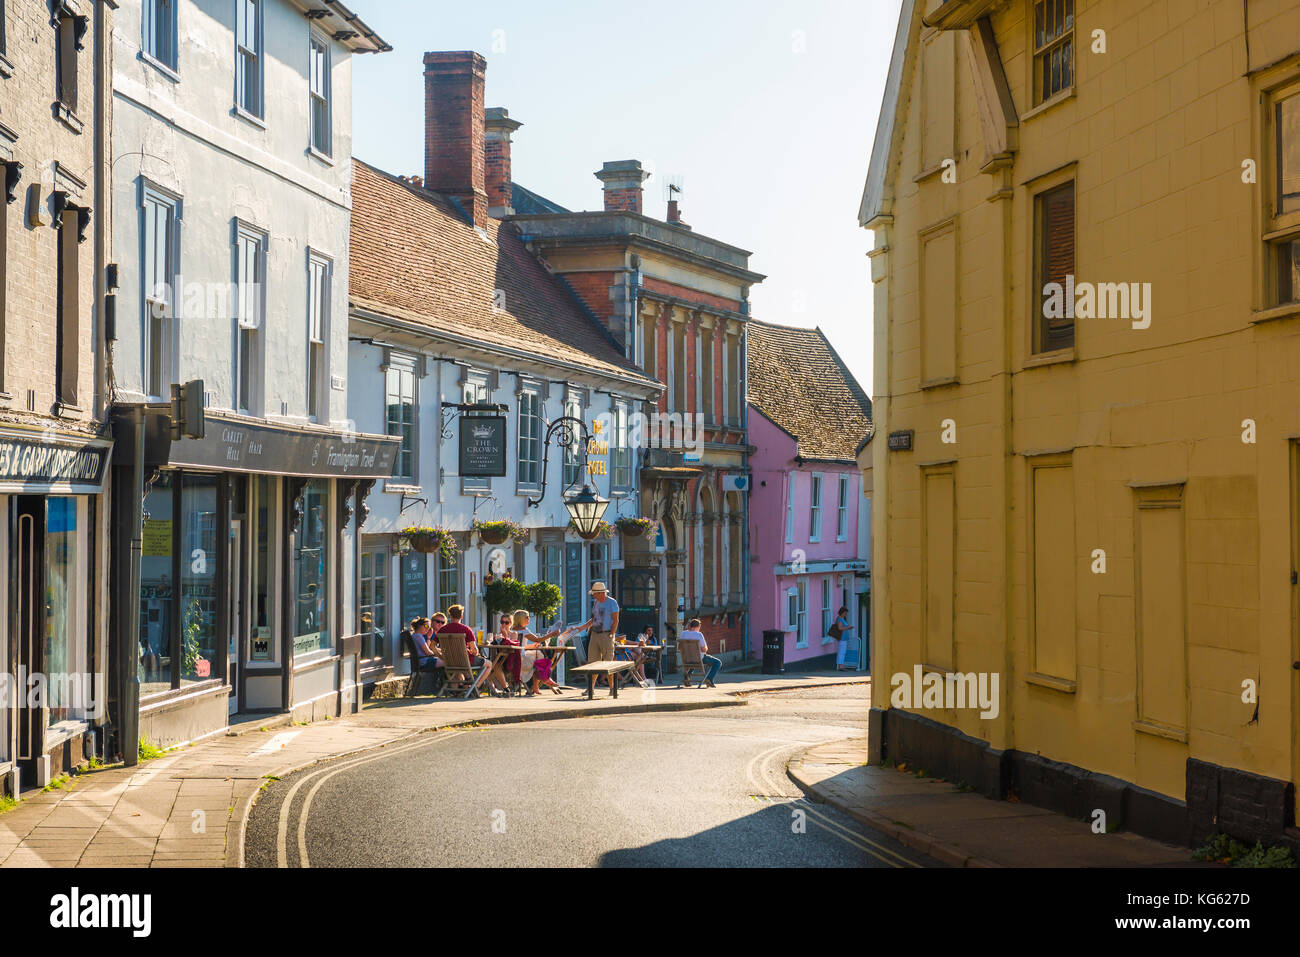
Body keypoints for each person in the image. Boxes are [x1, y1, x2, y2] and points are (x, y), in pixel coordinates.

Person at [510, 610, 566, 696]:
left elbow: (519, 646)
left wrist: (531, 646)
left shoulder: (512, 630)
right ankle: (545, 679)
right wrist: (551, 634)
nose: (529, 618)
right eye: (527, 617)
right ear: (521, 619)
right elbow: (538, 640)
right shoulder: (524, 631)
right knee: (539, 661)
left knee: (538, 655)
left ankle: (536, 685)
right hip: (521, 661)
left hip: (512, 659)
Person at [578, 582, 620, 690]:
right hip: (594, 634)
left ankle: (612, 688)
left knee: (608, 662)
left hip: (606, 634)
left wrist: (611, 634)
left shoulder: (612, 602)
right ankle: (590, 688)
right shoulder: (596, 602)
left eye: (594, 593)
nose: (593, 595)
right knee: (593, 662)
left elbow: (616, 620)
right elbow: (594, 619)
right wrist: (582, 627)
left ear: (601, 593)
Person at [677, 618, 720, 688]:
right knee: (718, 663)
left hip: (687, 659)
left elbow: (679, 648)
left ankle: (687, 676)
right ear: (698, 627)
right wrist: (706, 648)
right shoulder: (699, 634)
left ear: (690, 626)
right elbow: (704, 650)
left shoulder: (683, 633)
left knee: (693, 660)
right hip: (699, 659)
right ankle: (709, 678)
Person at [407, 617, 444, 688]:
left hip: (421, 661)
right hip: (425, 662)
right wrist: (440, 655)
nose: (428, 628)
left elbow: (428, 648)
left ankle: (444, 686)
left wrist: (429, 637)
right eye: (426, 626)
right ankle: (447, 686)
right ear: (419, 626)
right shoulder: (418, 636)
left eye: (429, 627)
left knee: (448, 662)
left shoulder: (415, 636)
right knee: (450, 663)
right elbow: (428, 653)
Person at [832, 606, 855, 671]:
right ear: (842, 612)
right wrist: (848, 628)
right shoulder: (839, 619)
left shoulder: (842, 619)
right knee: (841, 652)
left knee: (843, 652)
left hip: (844, 638)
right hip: (842, 638)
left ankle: (841, 665)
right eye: (845, 613)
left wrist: (848, 627)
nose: (845, 614)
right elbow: (840, 628)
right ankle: (840, 666)